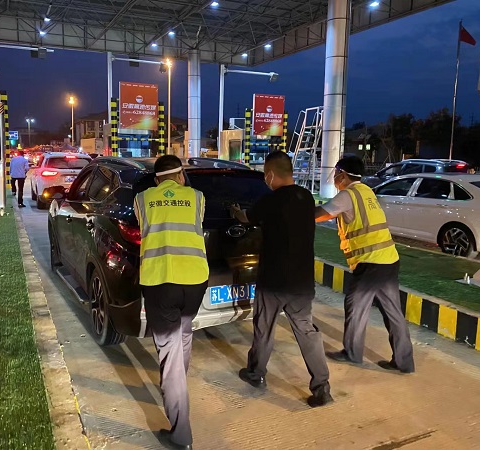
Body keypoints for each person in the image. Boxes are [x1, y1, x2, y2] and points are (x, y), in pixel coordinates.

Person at [230, 151, 333, 408]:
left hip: (273, 282)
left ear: (270, 174)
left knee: (264, 329)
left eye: (266, 175)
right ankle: (322, 388)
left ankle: (255, 374)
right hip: (301, 282)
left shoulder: (270, 201)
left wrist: (235, 211)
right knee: (307, 332)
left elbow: (247, 218)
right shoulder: (306, 197)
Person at [133, 155, 209, 450]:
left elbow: (145, 227)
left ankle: (181, 435)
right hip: (195, 281)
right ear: (180, 176)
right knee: (184, 333)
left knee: (170, 353)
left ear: (156, 180)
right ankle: (177, 381)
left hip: (160, 281)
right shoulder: (197, 197)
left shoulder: (142, 199)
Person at [314, 156, 415, 373]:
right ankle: (404, 362)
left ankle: (352, 353)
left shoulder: (348, 195)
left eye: (336, 173)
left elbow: (319, 214)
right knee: (393, 312)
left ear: (342, 174)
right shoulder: (367, 192)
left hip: (371, 262)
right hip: (389, 259)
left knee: (355, 305)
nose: (334, 177)